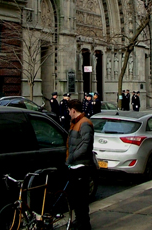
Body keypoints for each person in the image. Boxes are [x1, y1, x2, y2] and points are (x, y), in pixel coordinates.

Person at [66, 99, 94, 230]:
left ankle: (83, 224)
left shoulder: (84, 124)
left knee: (81, 198)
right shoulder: (75, 123)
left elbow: (85, 146)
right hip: (74, 165)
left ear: (73, 110)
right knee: (75, 197)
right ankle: (79, 221)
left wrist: (71, 157)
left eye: (69, 110)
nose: (68, 113)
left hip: (81, 166)